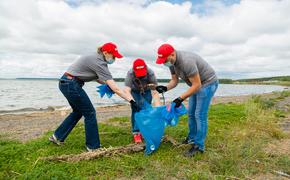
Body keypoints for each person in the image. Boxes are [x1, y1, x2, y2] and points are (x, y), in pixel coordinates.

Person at [49, 42, 140, 152]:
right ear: (105, 52)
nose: (114, 58)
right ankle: (93, 147)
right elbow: (116, 89)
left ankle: (57, 137)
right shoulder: (99, 62)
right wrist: (131, 101)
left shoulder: (95, 57)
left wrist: (107, 84)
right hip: (71, 84)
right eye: (113, 55)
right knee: (90, 113)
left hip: (66, 82)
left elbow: (98, 78)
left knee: (78, 111)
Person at [155, 44, 218, 157]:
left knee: (199, 115)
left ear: (172, 54)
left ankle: (199, 146)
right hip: (196, 85)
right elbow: (174, 81)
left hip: (207, 83)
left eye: (165, 60)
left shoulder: (186, 61)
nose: (164, 63)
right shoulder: (171, 62)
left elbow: (197, 85)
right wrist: (165, 88)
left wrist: (180, 98)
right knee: (191, 113)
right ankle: (191, 138)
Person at [124, 58, 159, 143]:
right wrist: (132, 101)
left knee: (146, 110)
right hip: (134, 91)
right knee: (136, 110)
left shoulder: (150, 72)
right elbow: (126, 90)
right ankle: (136, 132)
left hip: (147, 91)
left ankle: (144, 130)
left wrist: (158, 107)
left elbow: (155, 91)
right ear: (134, 70)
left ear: (146, 68)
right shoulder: (130, 73)